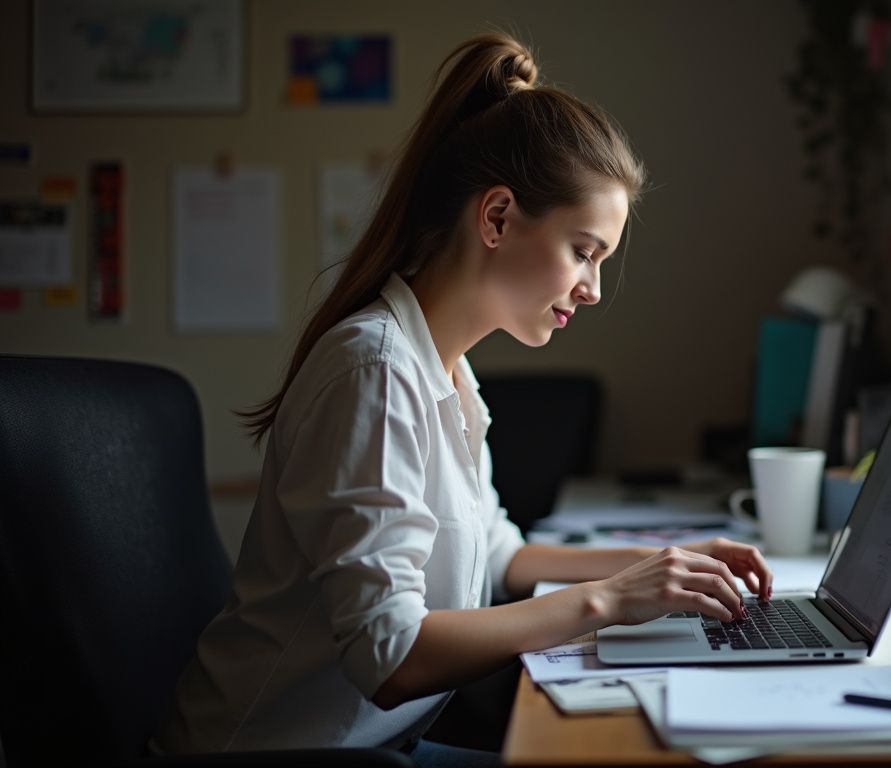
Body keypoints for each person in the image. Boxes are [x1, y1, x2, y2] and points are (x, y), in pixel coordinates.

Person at [154, 32, 772, 766]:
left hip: (378, 747)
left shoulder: (445, 366)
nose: (593, 288)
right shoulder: (373, 372)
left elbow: (499, 554)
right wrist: (608, 599)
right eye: (583, 251)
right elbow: (389, 656)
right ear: (499, 218)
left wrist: (665, 566)